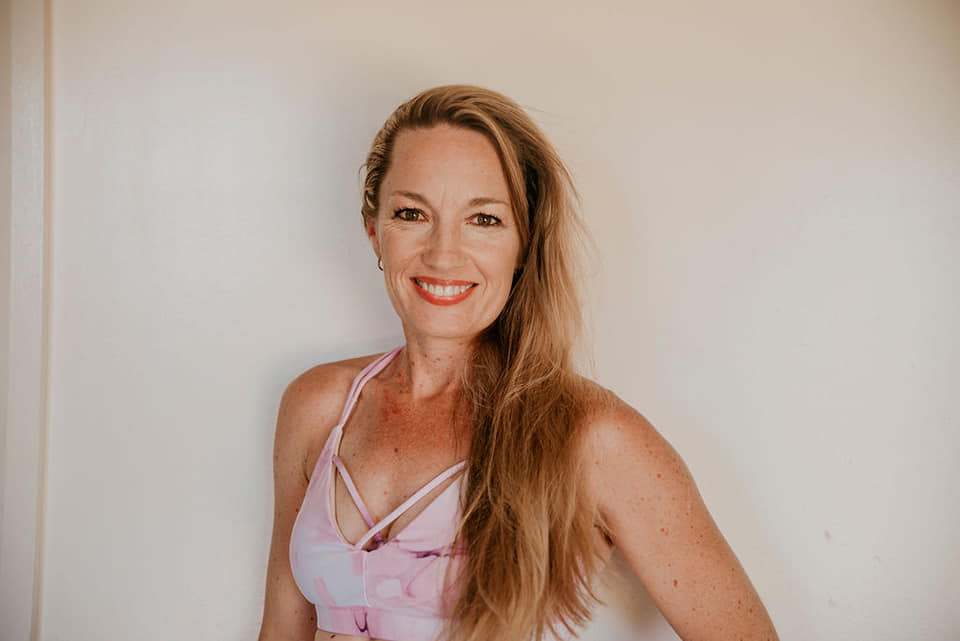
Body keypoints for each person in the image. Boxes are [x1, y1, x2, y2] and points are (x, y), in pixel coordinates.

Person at [257, 85, 779, 641]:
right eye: (412, 213)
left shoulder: (590, 435)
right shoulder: (317, 407)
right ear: (375, 232)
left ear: (524, 246)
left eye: (483, 220)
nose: (443, 254)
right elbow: (281, 629)